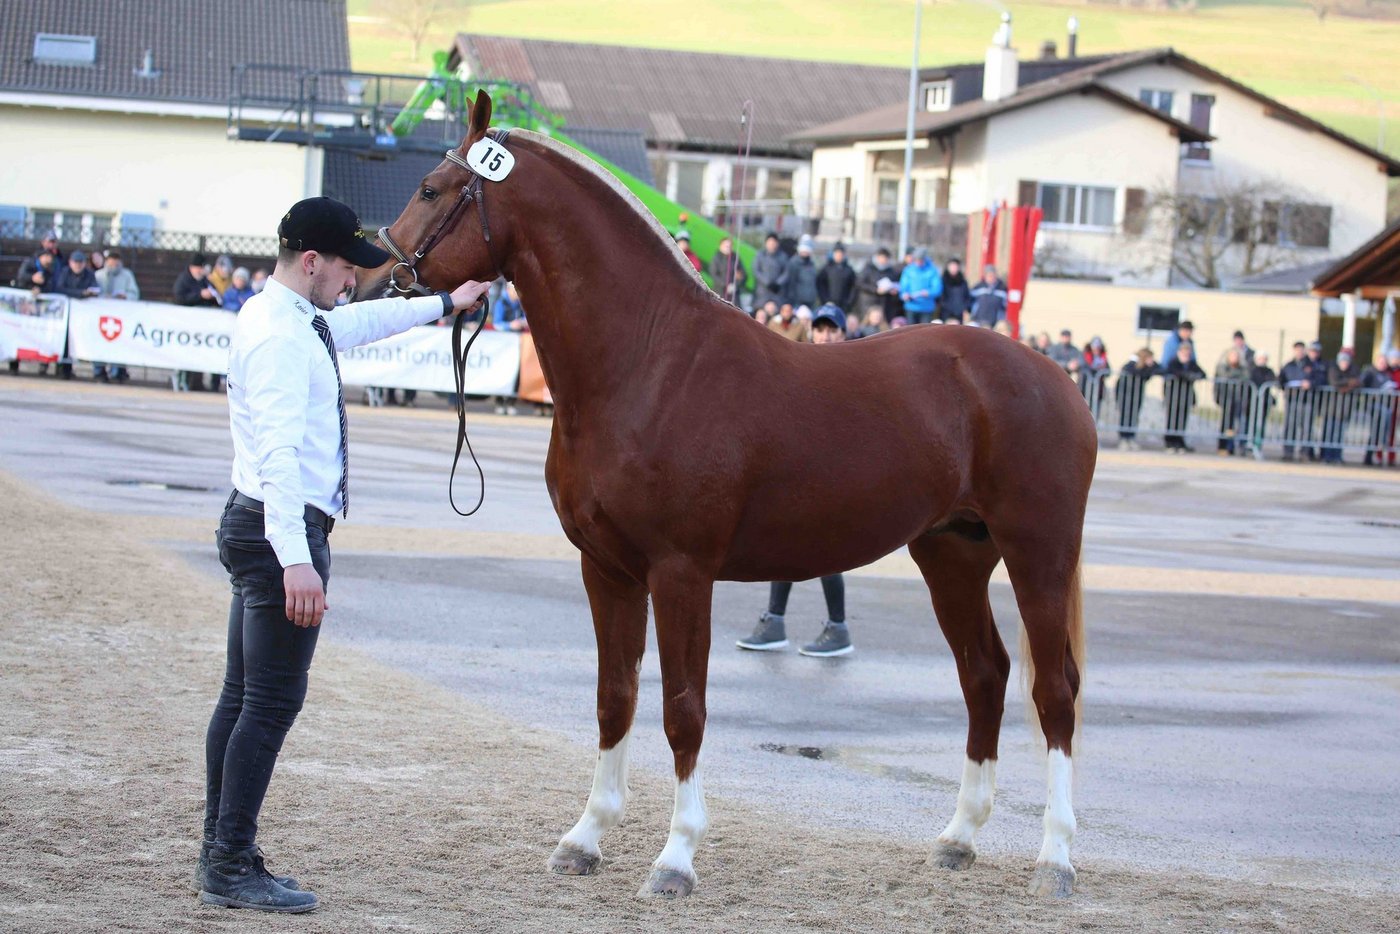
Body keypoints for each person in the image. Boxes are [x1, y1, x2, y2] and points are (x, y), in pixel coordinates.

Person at [198, 196, 492, 914]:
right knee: (267, 705)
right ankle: (228, 862)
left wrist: (444, 304)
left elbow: (356, 323)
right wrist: (296, 558)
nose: (350, 280)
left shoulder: (291, 317)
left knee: (244, 699)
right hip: (280, 529)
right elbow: (278, 455)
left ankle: (223, 850)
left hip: (260, 526)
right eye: (343, 268)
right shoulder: (278, 337)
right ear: (310, 262)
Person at [737, 304, 852, 657]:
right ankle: (775, 622)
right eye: (820, 329)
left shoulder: (851, 369)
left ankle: (838, 628)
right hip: (801, 472)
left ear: (843, 335)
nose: (825, 335)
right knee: (787, 543)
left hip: (832, 473)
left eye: (832, 329)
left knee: (824, 548)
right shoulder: (800, 363)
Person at [1163, 343, 1206, 452]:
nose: (1186, 355)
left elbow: (1202, 373)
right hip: (1173, 395)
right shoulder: (1173, 362)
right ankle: (1170, 442)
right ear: (1179, 352)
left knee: (1182, 419)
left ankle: (1180, 441)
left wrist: (1194, 375)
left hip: (1186, 396)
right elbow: (1174, 372)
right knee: (1172, 419)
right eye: (1184, 352)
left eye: (1188, 353)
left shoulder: (1191, 364)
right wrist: (1187, 375)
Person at [1279, 342, 1317, 462]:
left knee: (1306, 427)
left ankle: (1304, 453)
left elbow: (1319, 379)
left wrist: (1310, 384)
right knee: (1290, 426)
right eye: (1297, 350)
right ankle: (1288, 452)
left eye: (1301, 350)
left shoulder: (1312, 365)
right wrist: (1285, 387)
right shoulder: (1288, 365)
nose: (1299, 352)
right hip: (1292, 399)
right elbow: (1281, 380)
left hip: (1307, 400)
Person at [1359, 350, 1397, 466]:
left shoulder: (1386, 374)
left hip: (1384, 405)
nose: (1383, 364)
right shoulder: (1369, 372)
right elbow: (1362, 384)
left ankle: (1375, 454)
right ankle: (1369, 456)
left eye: (1384, 362)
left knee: (1380, 432)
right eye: (1381, 362)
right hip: (1373, 406)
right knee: (1375, 431)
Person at [1321, 349, 1360, 464]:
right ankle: (1326, 456)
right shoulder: (1333, 369)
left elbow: (1359, 383)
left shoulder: (1353, 370)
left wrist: (1346, 385)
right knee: (1329, 433)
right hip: (1331, 409)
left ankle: (1337, 456)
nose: (1344, 363)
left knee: (1339, 434)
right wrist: (1349, 383)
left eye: (1346, 361)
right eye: (1342, 361)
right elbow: (1334, 382)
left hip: (1344, 409)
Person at [1115, 348, 1157, 450]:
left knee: (1134, 416)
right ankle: (1124, 438)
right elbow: (1134, 372)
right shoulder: (1131, 364)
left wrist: (1150, 366)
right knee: (1125, 416)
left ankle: (1131, 437)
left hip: (1136, 395)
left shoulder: (1145, 367)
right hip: (1125, 394)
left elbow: (1158, 369)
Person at [1214, 348, 1250, 455]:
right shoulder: (1222, 367)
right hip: (1226, 399)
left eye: (1236, 356)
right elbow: (1223, 377)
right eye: (1232, 356)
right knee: (1225, 424)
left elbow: (1246, 377)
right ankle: (1223, 446)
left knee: (1234, 425)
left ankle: (1231, 446)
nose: (1234, 358)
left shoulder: (1242, 368)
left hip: (1237, 399)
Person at [855, 247, 902, 324]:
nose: (883, 260)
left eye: (886, 258)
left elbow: (895, 284)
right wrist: (875, 290)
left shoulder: (891, 271)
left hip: (885, 304)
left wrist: (892, 290)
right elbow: (860, 283)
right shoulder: (868, 268)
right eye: (882, 258)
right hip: (869, 302)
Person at [1245, 351, 1277, 460]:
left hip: (1264, 403)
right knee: (1249, 424)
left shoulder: (1269, 371)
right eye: (1260, 358)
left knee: (1261, 425)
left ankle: (1258, 445)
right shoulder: (1251, 370)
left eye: (1264, 358)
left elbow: (1273, 381)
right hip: (1251, 402)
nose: (1262, 360)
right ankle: (1248, 445)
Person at [897, 248, 940, 325]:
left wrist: (929, 293)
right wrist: (904, 295)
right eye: (916, 260)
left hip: (926, 308)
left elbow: (937, 288)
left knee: (924, 333)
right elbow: (903, 287)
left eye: (920, 261)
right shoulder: (908, 270)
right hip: (911, 307)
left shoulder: (932, 270)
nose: (918, 263)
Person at [815, 244, 857, 314]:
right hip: (828, 303)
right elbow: (820, 285)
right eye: (837, 254)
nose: (839, 256)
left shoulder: (849, 270)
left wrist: (849, 302)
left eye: (841, 254)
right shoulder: (826, 269)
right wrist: (825, 300)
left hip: (843, 304)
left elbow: (853, 287)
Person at [783, 234, 820, 308]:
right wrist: (791, 301)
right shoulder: (793, 263)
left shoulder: (812, 264)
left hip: (810, 301)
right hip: (797, 302)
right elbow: (791, 283)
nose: (805, 252)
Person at [708, 237, 746, 305]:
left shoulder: (735, 258)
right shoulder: (716, 258)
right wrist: (725, 285)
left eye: (730, 246)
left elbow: (744, 275)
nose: (728, 248)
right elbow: (713, 274)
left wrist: (735, 285)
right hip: (719, 292)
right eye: (726, 246)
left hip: (734, 295)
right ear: (720, 246)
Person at [752, 233, 787, 307]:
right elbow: (756, 270)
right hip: (762, 292)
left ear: (777, 244)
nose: (772, 245)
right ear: (766, 243)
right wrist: (767, 283)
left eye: (774, 242)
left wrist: (778, 283)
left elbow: (786, 272)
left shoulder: (783, 256)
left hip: (777, 291)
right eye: (769, 242)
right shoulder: (760, 255)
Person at [1081, 336, 1110, 417]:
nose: (1096, 349)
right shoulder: (1084, 356)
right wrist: (1095, 369)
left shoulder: (1103, 358)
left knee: (1094, 414)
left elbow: (1108, 372)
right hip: (1085, 388)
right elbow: (1083, 367)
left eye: (1098, 347)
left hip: (1098, 390)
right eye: (1094, 346)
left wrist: (1102, 369)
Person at [936, 258, 970, 324]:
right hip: (945, 313)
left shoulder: (963, 282)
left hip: (959, 314)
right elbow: (940, 298)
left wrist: (963, 308)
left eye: (955, 266)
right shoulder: (942, 281)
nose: (954, 268)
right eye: (952, 266)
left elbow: (967, 297)